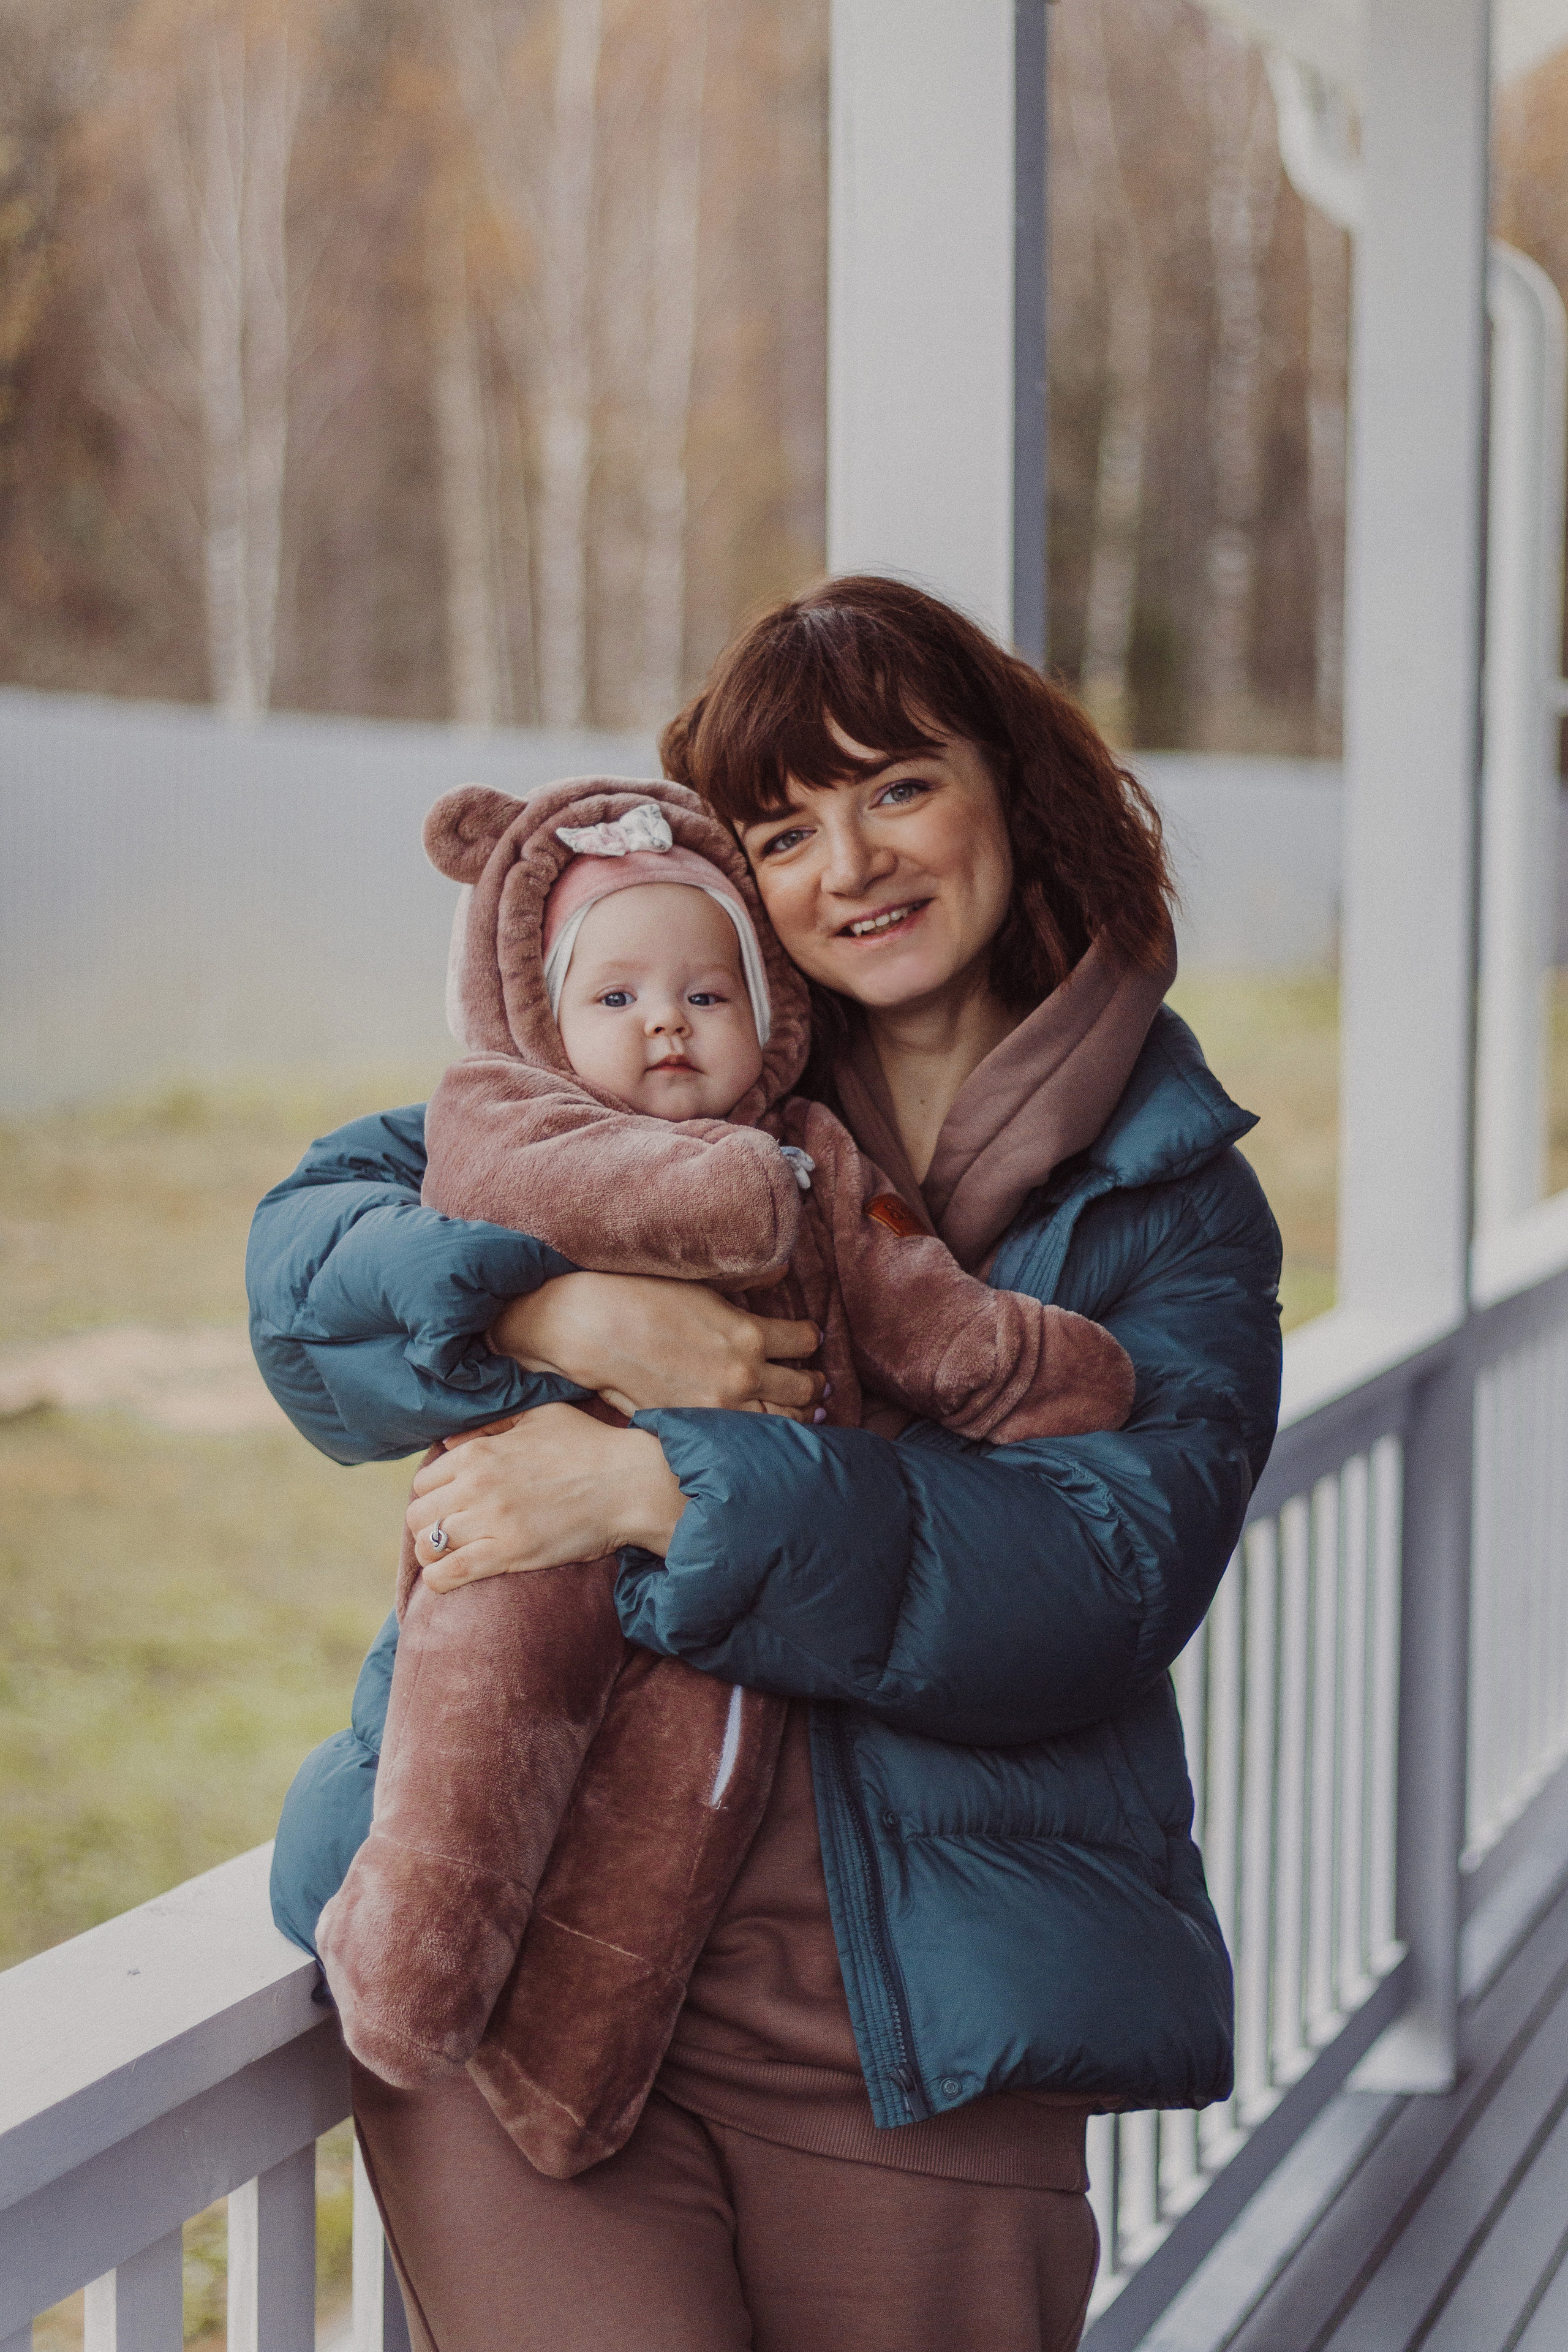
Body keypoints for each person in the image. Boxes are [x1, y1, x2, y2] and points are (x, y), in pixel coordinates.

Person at [249, 575, 1283, 2352]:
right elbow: (305, 1271)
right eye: (785, 826)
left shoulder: (1168, 1194)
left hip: (917, 2052)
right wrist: (555, 1319)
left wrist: (665, 1487)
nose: (850, 864)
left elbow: (1099, 1581)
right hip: (526, 1973)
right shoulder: (663, 1072)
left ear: (1010, 791)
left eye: (895, 786)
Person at [314, 772, 1136, 2180]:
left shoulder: (814, 1148)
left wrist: (1030, 1365)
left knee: (663, 1823)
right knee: (479, 1734)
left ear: (765, 1011)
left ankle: (565, 2080)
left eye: (704, 997)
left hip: (726, 1586)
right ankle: (407, 1967)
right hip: (521, 1539)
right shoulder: (511, 1115)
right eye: (617, 1000)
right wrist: (558, 1310)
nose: (664, 1031)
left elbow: (915, 1307)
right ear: (544, 1015)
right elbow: (345, 1255)